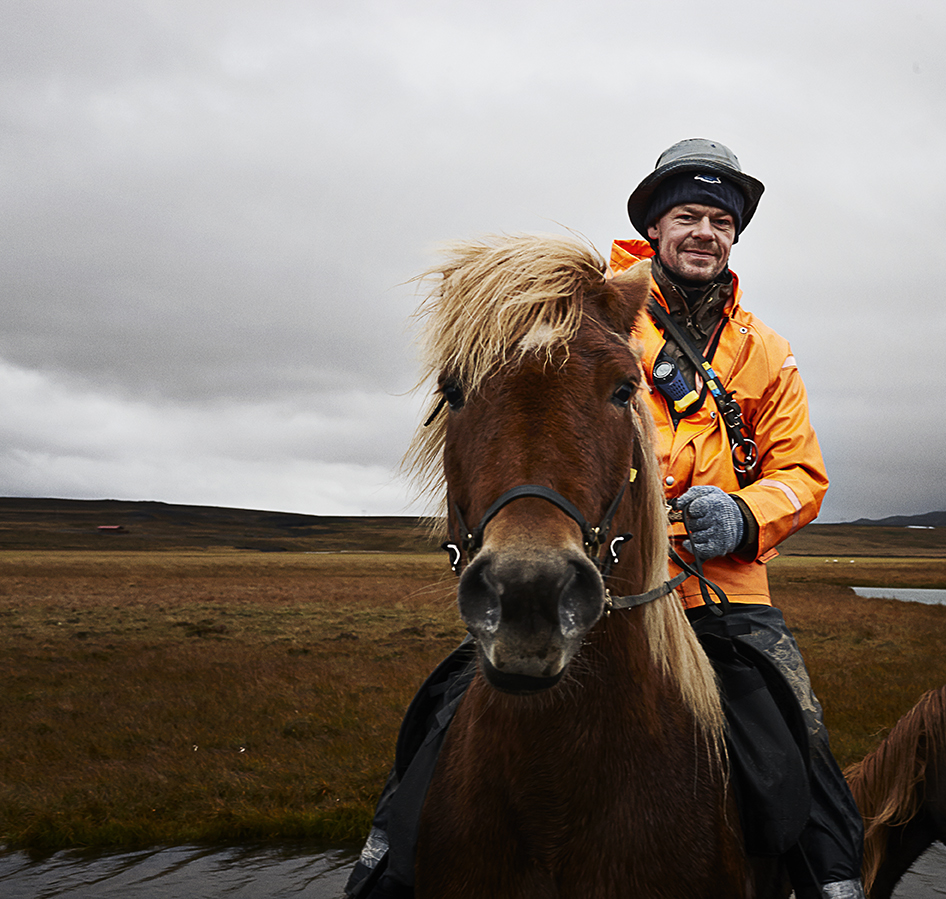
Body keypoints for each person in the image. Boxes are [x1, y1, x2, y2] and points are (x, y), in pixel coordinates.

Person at [344, 139, 864, 899]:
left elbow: (801, 474)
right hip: (601, 576)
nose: (704, 232)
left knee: (797, 732)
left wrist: (743, 516)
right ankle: (383, 862)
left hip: (722, 596)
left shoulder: (767, 354)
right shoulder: (591, 313)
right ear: (654, 228)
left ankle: (835, 882)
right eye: (687, 214)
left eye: (721, 220)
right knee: (440, 712)